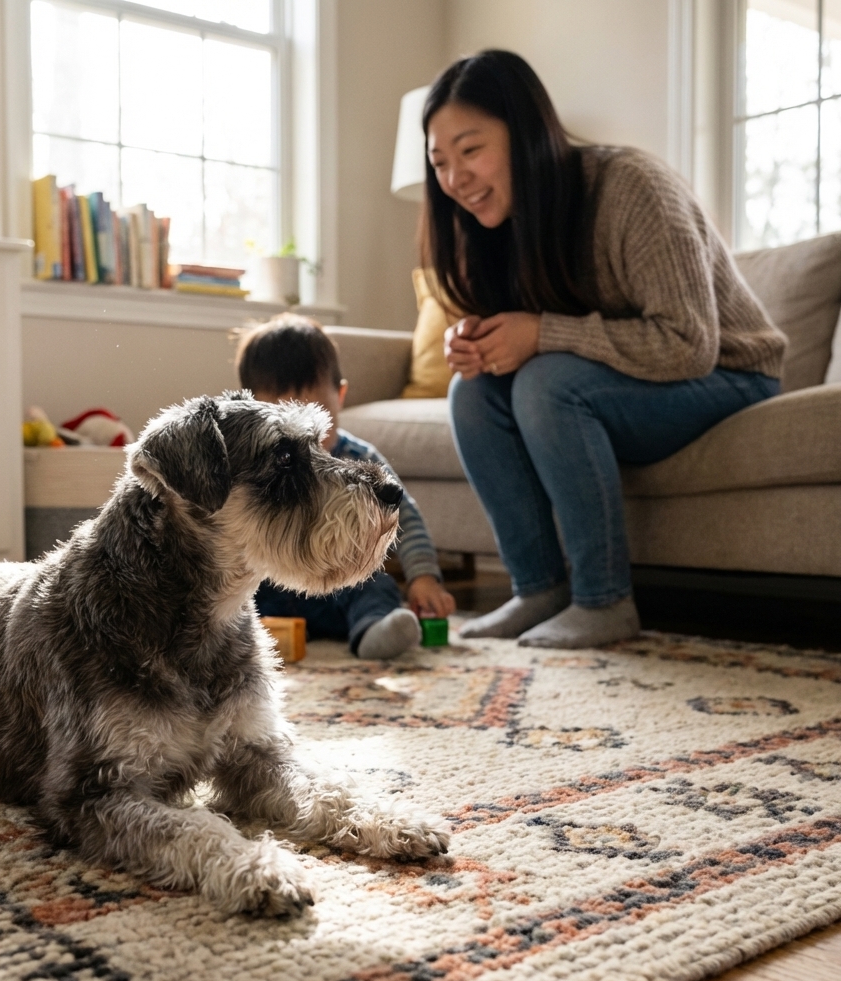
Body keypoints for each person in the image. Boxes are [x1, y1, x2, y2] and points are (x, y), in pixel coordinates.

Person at [423, 50, 785, 649]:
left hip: (730, 374)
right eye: (440, 162)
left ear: (528, 134)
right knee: (472, 392)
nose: (455, 179)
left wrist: (542, 335)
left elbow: (690, 344)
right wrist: (475, 346)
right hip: (622, 379)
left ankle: (604, 600)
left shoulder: (632, 188)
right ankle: (538, 589)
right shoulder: (494, 226)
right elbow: (523, 338)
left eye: (471, 150)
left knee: (547, 383)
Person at [236, 313, 456, 659]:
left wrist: (423, 577)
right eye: (284, 424)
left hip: (338, 586)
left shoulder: (358, 459)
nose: (305, 440)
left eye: (317, 418)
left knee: (376, 586)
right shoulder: (250, 466)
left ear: (341, 396)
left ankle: (374, 630)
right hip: (271, 590)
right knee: (234, 593)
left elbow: (403, 514)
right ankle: (234, 646)